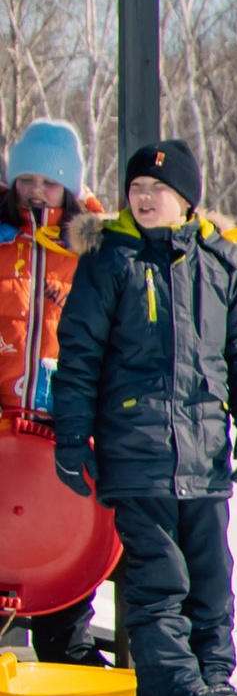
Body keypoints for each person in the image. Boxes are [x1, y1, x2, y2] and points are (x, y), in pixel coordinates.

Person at [50, 137, 237, 696]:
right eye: (137, 189)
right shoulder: (109, 262)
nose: (145, 199)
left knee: (210, 575)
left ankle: (213, 676)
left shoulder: (220, 266)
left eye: (159, 190)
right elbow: (78, 358)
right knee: (158, 577)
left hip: (203, 452)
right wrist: (72, 438)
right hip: (135, 451)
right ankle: (171, 684)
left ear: (187, 200)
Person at [2, 120, 108, 661]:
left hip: (65, 423)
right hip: (3, 425)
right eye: (26, 179)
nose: (36, 191)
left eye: (49, 181)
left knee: (67, 532)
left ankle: (68, 644)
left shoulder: (96, 249)